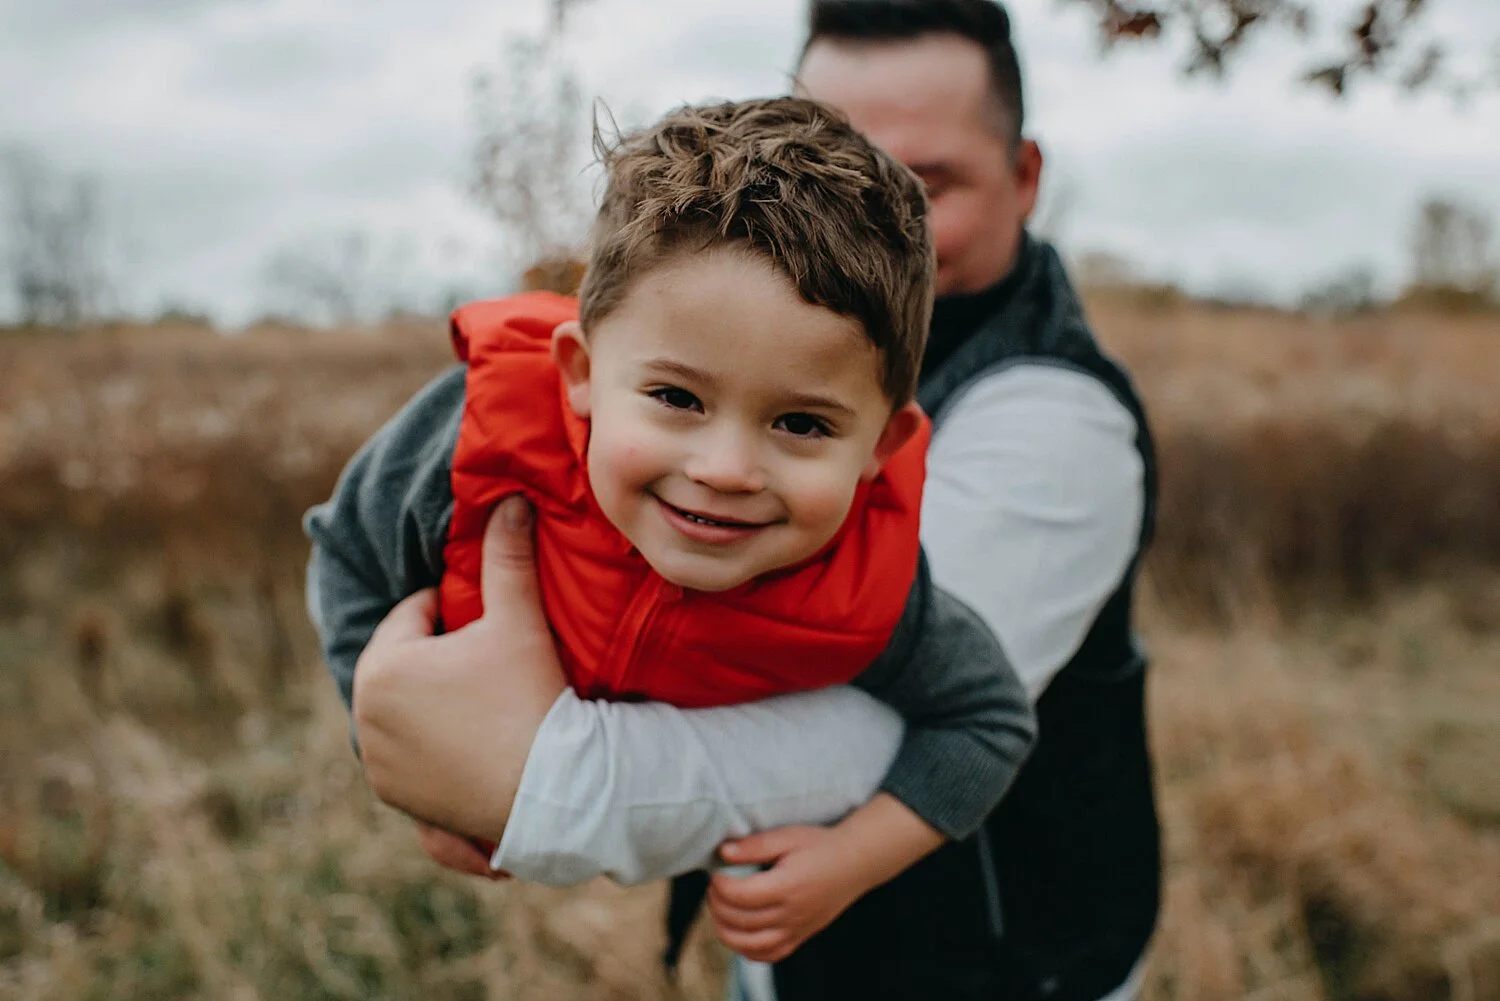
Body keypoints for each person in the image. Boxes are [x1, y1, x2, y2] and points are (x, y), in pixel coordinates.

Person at [342, 0, 1162, 995]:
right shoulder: (651, 358)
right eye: (839, 165)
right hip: (789, 954)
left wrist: (501, 776)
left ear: (1025, 177)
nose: (868, 218)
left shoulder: (1059, 419)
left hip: (1006, 962)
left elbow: (833, 742)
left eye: (924, 184)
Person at [305, 96, 1036, 945]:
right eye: (676, 398)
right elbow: (348, 553)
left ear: (882, 444)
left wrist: (851, 861)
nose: (724, 469)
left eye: (801, 423)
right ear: (580, 371)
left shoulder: (869, 592)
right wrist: (402, 756)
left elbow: (989, 721)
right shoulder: (478, 440)